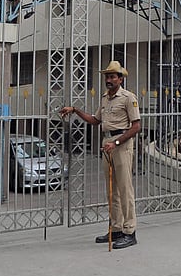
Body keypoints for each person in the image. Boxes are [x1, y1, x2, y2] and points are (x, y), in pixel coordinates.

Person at [60, 60, 141, 249]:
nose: (109, 80)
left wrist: (117, 142)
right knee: (112, 190)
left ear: (121, 79)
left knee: (125, 188)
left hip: (121, 143)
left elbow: (136, 126)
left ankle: (130, 231)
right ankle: (116, 228)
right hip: (107, 144)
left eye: (113, 76)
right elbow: (96, 120)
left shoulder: (128, 97)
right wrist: (75, 110)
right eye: (107, 76)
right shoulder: (105, 98)